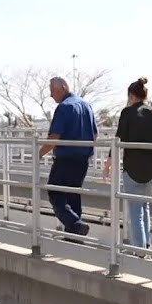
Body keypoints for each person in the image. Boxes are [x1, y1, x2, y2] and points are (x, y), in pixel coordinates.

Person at [103, 77, 152, 250]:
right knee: (144, 206)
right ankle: (146, 245)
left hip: (133, 169)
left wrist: (108, 165)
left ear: (131, 95)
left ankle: (139, 250)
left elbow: (117, 141)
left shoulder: (127, 113)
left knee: (135, 211)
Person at [39, 77, 97, 236]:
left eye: (52, 91)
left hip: (65, 159)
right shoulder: (86, 105)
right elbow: (95, 134)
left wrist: (39, 153)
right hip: (82, 159)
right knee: (73, 195)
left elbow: (54, 138)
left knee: (54, 192)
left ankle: (74, 223)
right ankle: (75, 235)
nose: (51, 95)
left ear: (63, 88)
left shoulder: (64, 107)